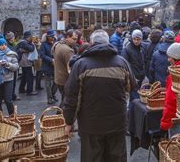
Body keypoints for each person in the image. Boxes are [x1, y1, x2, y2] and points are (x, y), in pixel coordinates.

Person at [63, 30, 136, 161]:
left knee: (92, 158)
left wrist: (68, 122)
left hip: (91, 124)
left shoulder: (81, 64)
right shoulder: (121, 62)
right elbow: (131, 85)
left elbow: (72, 96)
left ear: (91, 43)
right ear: (108, 42)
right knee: (116, 157)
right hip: (117, 123)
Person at [53, 29, 77, 105]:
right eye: (74, 39)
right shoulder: (68, 50)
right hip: (65, 80)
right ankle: (59, 115)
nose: (75, 41)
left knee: (64, 100)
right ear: (67, 37)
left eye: (76, 39)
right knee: (66, 102)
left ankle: (59, 115)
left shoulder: (59, 44)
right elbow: (71, 68)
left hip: (59, 78)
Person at [122, 29, 147, 100]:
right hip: (133, 78)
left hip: (141, 76)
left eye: (138, 39)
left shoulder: (143, 47)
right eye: (134, 39)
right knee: (134, 99)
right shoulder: (127, 49)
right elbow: (125, 65)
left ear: (141, 39)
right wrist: (130, 77)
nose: (136, 41)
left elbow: (144, 61)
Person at [40, 30, 58, 104]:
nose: (52, 37)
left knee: (56, 82)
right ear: (47, 37)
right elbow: (42, 55)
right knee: (48, 83)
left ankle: (53, 94)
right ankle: (49, 98)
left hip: (55, 66)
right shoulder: (43, 45)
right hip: (47, 66)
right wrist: (51, 60)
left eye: (53, 36)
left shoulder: (56, 43)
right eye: (51, 36)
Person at [17, 31, 37, 96]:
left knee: (24, 76)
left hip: (24, 61)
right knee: (29, 76)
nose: (31, 38)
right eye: (30, 36)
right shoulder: (23, 42)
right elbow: (31, 49)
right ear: (27, 37)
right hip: (25, 61)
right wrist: (32, 43)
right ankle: (29, 91)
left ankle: (21, 89)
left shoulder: (23, 42)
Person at [5, 32, 20, 101]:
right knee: (10, 83)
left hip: (14, 66)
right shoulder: (7, 46)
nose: (14, 38)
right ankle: (9, 96)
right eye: (13, 37)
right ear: (10, 38)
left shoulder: (14, 45)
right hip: (9, 67)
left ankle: (13, 95)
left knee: (14, 82)